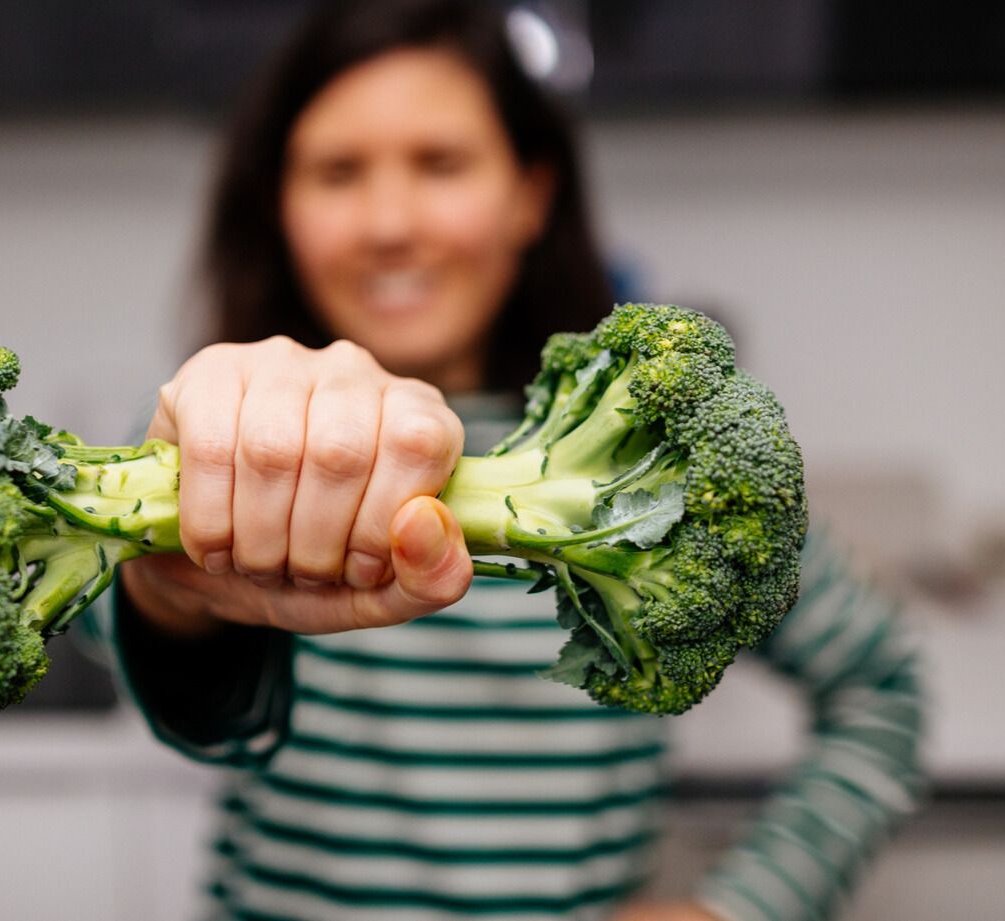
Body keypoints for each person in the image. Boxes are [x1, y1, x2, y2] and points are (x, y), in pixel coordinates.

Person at [90, 2, 926, 918]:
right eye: (336, 172)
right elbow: (147, 655)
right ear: (280, 206)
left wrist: (737, 908)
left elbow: (881, 692)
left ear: (530, 193)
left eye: (440, 164)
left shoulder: (664, 461)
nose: (388, 223)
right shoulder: (216, 433)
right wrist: (169, 590)